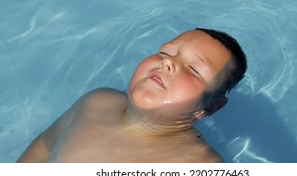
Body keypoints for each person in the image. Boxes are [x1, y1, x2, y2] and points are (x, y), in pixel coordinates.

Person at [17, 28, 247, 163]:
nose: (168, 62)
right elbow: (45, 146)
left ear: (210, 108)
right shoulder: (96, 103)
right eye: (165, 52)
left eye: (194, 69)